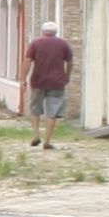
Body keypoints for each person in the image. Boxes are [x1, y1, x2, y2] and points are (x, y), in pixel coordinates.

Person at [26, 20, 74, 149]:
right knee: (52, 113)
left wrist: (22, 78)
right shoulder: (64, 44)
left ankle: (36, 135)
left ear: (43, 32)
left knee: (35, 109)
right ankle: (47, 141)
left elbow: (28, 61)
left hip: (38, 81)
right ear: (56, 32)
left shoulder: (35, 43)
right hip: (57, 82)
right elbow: (69, 62)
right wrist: (67, 75)